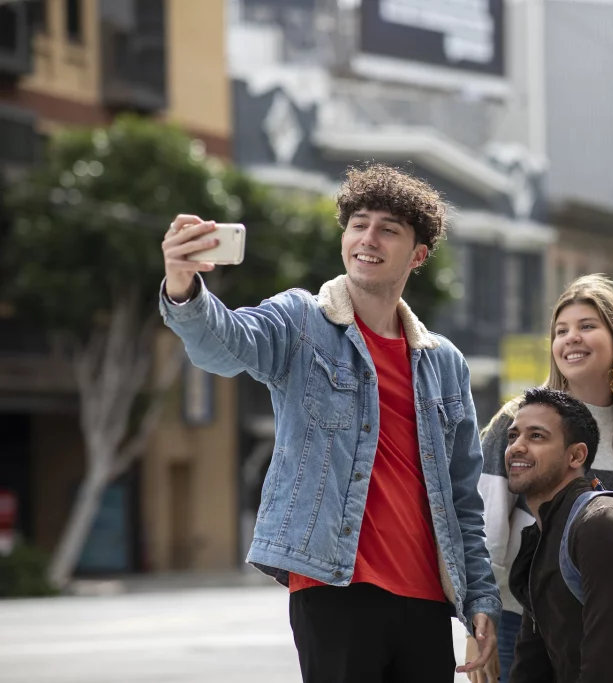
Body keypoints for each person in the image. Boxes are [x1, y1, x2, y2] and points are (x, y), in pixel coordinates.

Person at [159, 164, 500, 683]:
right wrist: (184, 286)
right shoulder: (300, 321)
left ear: (418, 254)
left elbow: (461, 497)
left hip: (428, 597)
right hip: (335, 587)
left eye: (389, 229)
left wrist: (480, 596)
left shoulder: (444, 362)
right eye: (359, 224)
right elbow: (224, 344)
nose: (369, 238)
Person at [470, 275, 613, 682]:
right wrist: (479, 621)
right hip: (521, 623)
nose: (572, 338)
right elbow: (486, 529)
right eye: (561, 330)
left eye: (587, 326)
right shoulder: (518, 420)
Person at [503, 387, 613, 683]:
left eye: (536, 436)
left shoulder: (603, 526)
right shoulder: (542, 534)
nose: (517, 447)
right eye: (513, 436)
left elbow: (608, 669)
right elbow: (530, 665)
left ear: (576, 455)